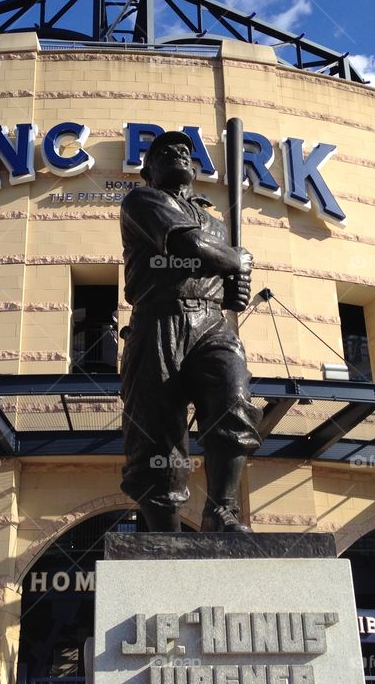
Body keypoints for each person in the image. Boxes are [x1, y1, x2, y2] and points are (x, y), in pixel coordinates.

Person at [119, 130, 262, 533]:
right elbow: (188, 245)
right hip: (158, 320)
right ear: (148, 170)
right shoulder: (143, 200)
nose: (178, 154)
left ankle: (222, 510)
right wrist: (237, 260)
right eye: (165, 152)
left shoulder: (217, 224)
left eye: (185, 151)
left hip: (211, 323)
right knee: (156, 436)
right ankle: (165, 534)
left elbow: (232, 289)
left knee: (234, 398)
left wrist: (239, 277)